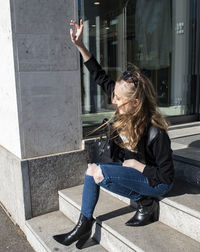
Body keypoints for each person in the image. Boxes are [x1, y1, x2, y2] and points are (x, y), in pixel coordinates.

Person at [53, 19, 175, 248]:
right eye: (114, 95)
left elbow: (167, 179)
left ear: (136, 102)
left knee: (100, 174)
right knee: (91, 170)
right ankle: (84, 225)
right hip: (136, 171)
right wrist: (80, 45)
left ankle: (145, 202)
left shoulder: (156, 132)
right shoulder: (124, 105)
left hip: (154, 181)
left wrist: (137, 166)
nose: (114, 101)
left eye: (119, 99)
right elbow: (99, 75)